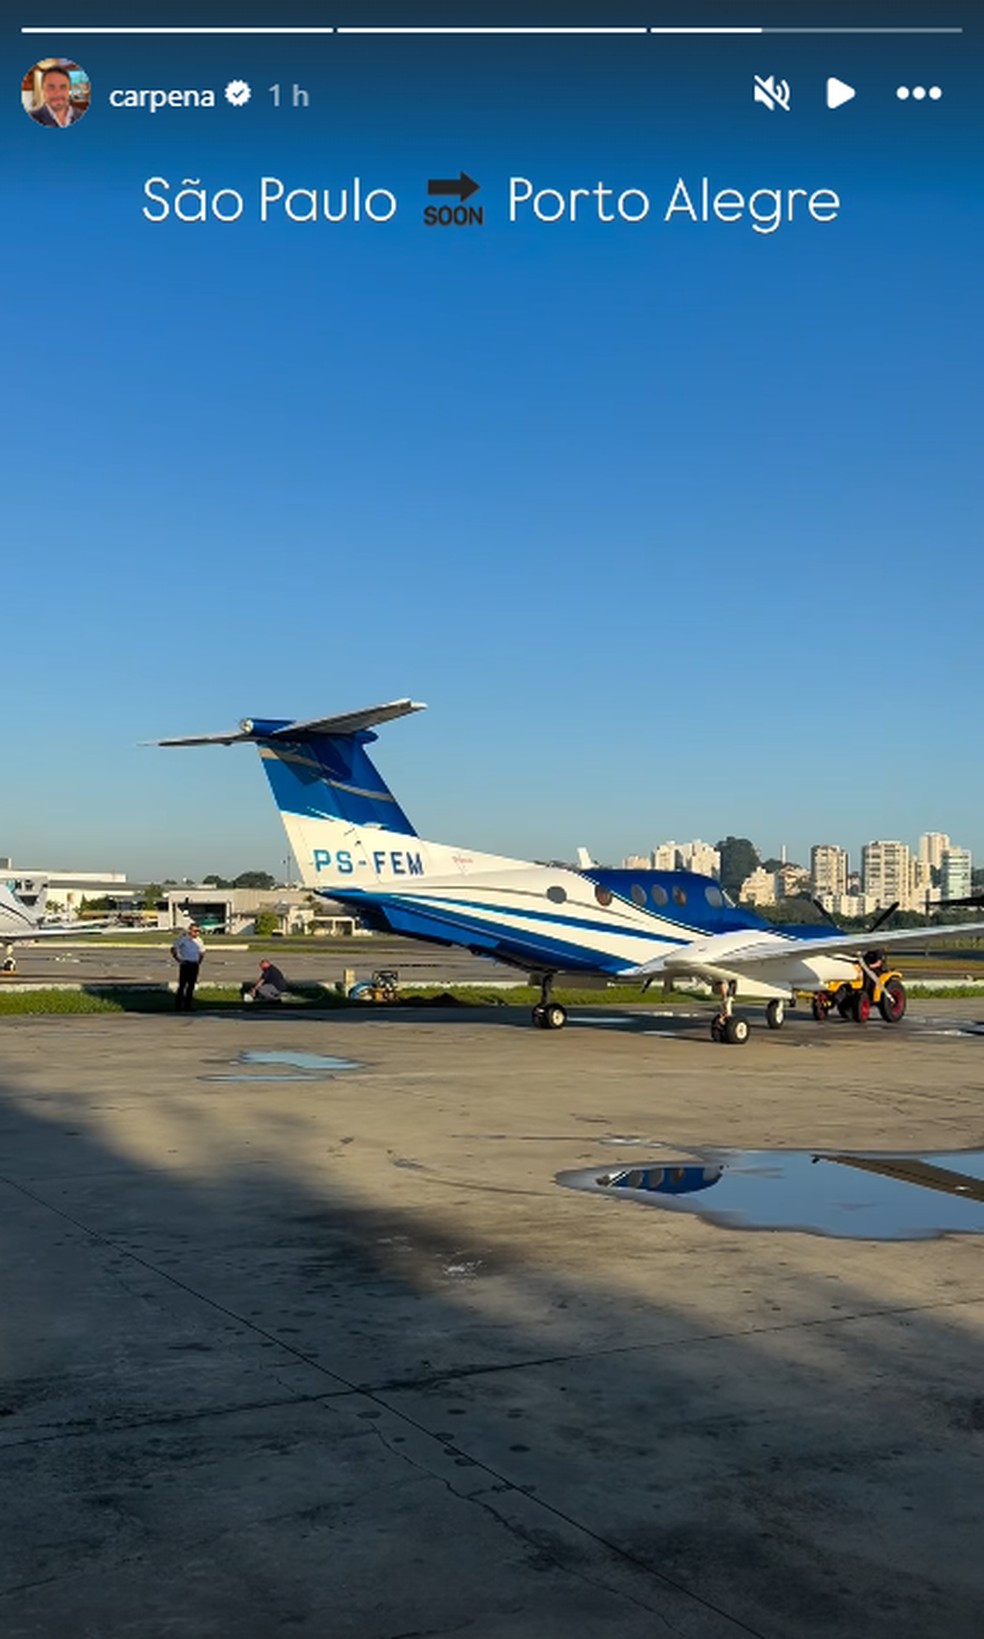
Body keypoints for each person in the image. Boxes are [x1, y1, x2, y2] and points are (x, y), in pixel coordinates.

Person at [170, 923, 205, 1011]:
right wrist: (178, 959)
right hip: (186, 964)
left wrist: (199, 961)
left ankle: (188, 1006)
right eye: (195, 931)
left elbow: (202, 952)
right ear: (190, 931)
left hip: (194, 964)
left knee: (191, 986)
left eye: (198, 931)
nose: (197, 933)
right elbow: (174, 948)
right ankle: (178, 1006)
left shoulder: (199, 940)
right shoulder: (183, 939)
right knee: (182, 985)